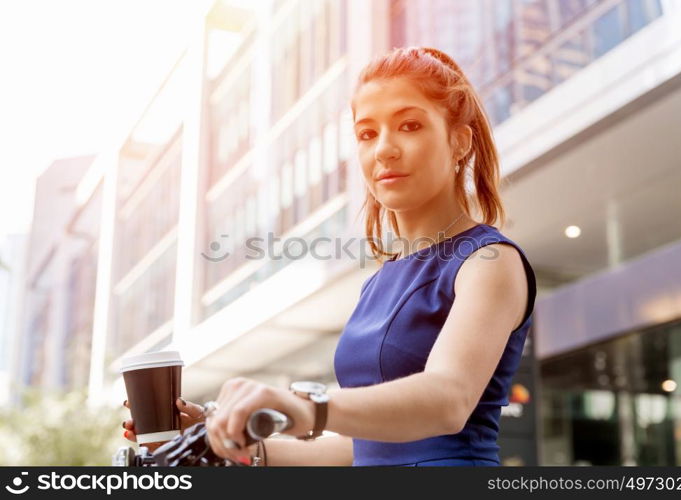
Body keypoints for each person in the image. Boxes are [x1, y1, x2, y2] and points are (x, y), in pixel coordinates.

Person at [123, 46, 537, 466]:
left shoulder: (490, 261)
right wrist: (220, 440)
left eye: (409, 125)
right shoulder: (378, 281)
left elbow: (449, 399)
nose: (384, 150)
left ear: (460, 141)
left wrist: (307, 406)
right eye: (367, 133)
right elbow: (356, 449)